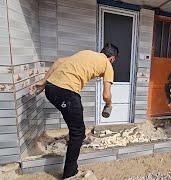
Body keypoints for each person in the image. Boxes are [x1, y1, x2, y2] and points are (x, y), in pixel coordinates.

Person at [29, 43, 119, 179]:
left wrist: (43, 81)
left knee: (76, 120)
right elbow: (106, 94)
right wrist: (109, 103)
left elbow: (59, 61)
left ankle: (72, 142)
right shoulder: (108, 65)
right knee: (78, 132)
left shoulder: (86, 53)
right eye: (113, 60)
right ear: (112, 58)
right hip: (66, 92)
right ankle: (70, 173)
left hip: (50, 88)